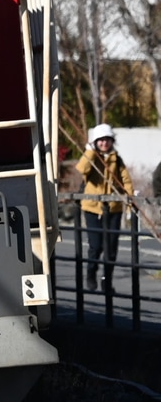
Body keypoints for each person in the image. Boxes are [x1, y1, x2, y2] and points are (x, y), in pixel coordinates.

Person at [76, 123, 135, 291]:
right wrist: (90, 151)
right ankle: (91, 273)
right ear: (95, 141)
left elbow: (126, 180)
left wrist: (129, 198)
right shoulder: (91, 157)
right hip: (92, 208)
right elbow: (81, 169)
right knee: (96, 246)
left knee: (111, 249)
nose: (104, 143)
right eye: (100, 140)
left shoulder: (117, 158)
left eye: (107, 140)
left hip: (113, 208)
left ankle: (106, 280)